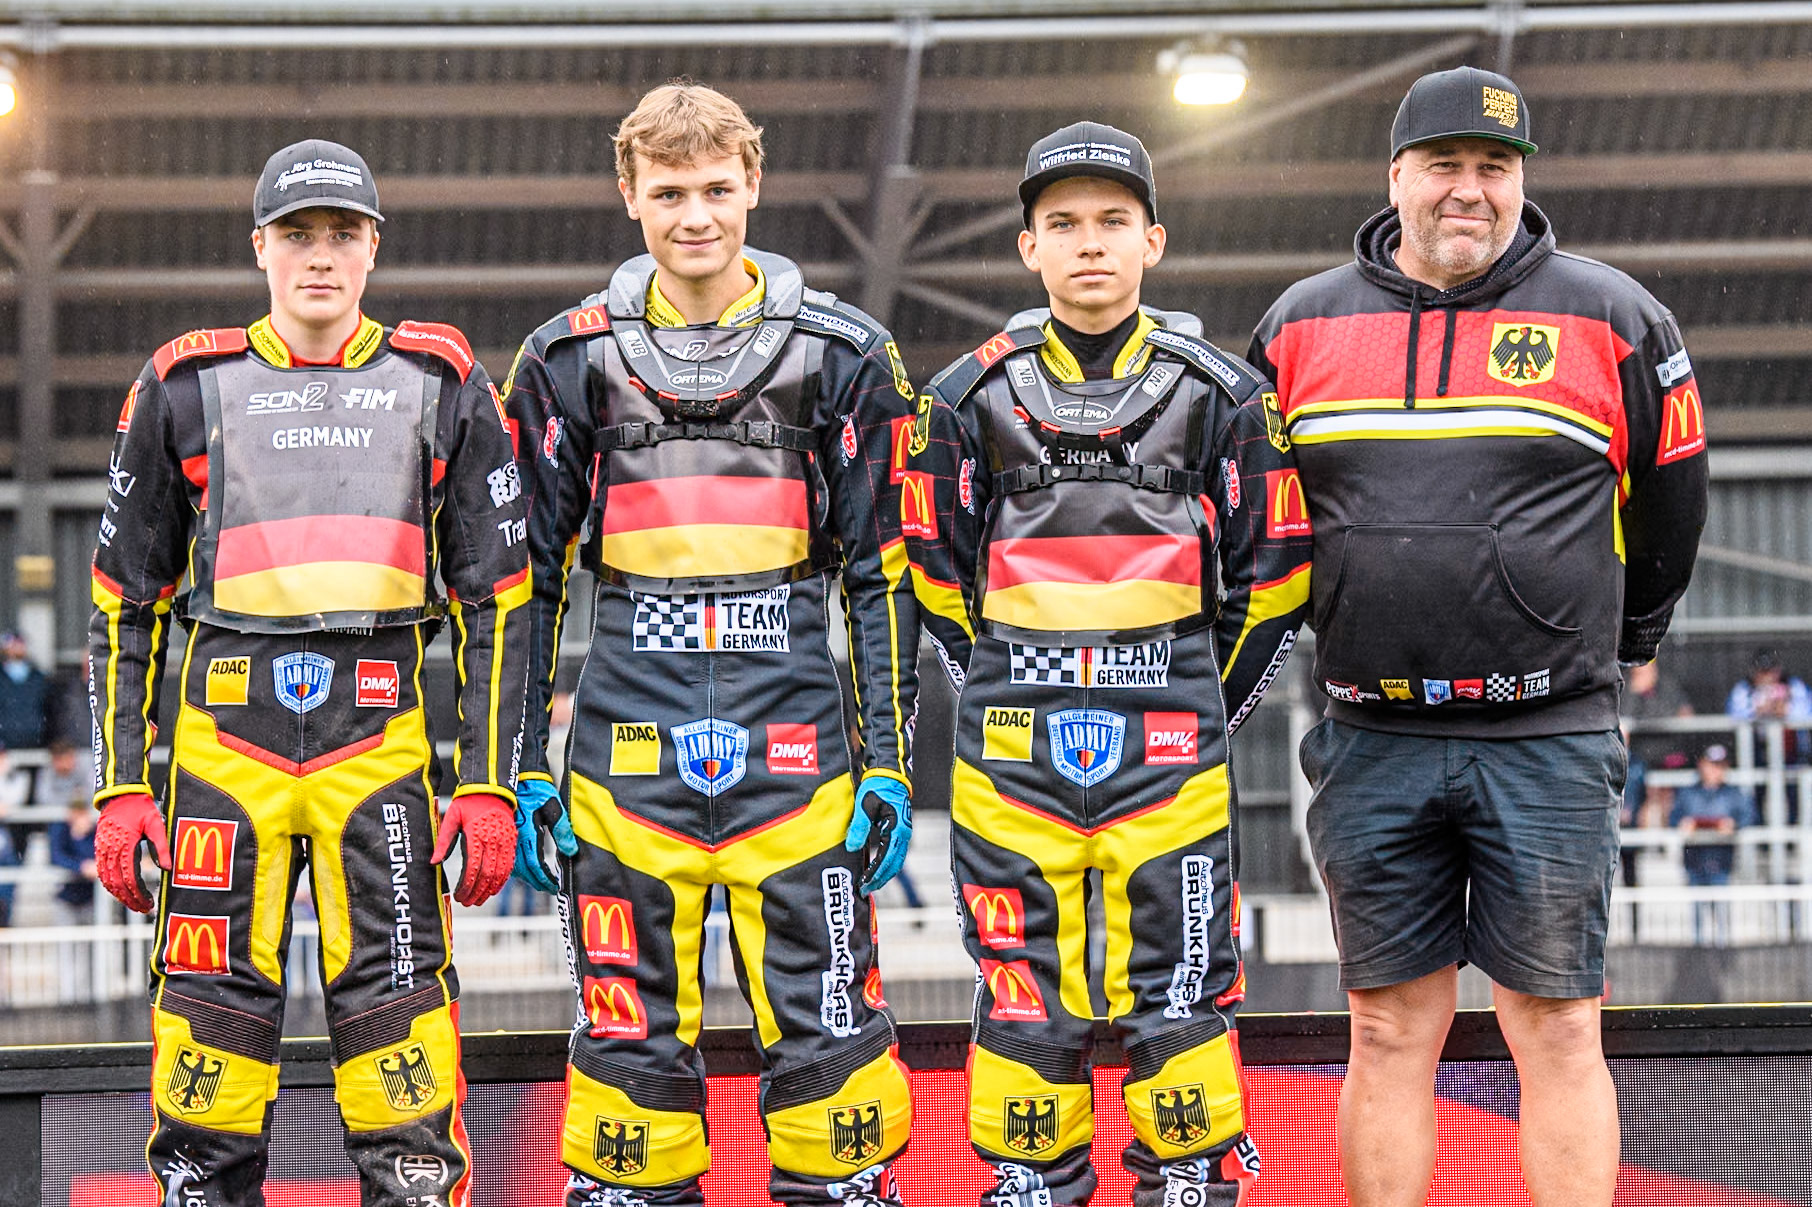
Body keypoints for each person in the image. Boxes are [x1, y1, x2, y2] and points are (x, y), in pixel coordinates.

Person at [1249, 67, 1709, 1207]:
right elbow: (1258, 520)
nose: (1469, 190)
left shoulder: (1616, 316)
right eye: (1443, 165)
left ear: (1521, 181)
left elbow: (1674, 503)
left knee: (1556, 1024)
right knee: (1384, 1026)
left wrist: (1620, 638)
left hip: (1548, 738)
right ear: (1395, 177)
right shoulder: (1298, 325)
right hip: (1370, 736)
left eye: (1494, 168)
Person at [88, 139, 529, 1207]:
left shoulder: (442, 377)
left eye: (341, 233)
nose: (319, 256)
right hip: (220, 758)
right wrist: (120, 785)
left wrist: (488, 782)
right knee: (207, 1029)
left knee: (400, 1026)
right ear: (261, 248)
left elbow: (498, 600)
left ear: (374, 246)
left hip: (379, 753)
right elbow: (122, 600)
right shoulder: (183, 381)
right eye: (297, 235)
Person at [503, 83, 920, 1206]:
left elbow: (882, 574)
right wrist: (519, 768)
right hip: (621, 758)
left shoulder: (847, 353)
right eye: (670, 192)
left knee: (833, 1046)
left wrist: (889, 760)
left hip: (802, 754)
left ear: (755, 185)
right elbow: (527, 581)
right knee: (626, 1054)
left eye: (718, 189)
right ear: (628, 193)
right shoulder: (562, 359)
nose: (696, 215)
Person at [907, 120, 1310, 1207]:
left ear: (1153, 241)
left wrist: (1197, 706)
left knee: (1181, 1000)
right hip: (1010, 766)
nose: (1091, 243)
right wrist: (1005, 690)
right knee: (1021, 1000)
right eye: (1065, 224)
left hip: (1173, 767)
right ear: (1029, 247)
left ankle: (1189, 1184)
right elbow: (935, 579)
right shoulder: (961, 398)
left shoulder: (1226, 396)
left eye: (1114, 222)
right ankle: (1029, 1187)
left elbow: (1275, 579)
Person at [1669, 744, 1756, 944]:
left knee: (1722, 916)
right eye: (1712, 765)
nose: (1716, 770)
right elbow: (1674, 818)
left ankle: (1723, 952)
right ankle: (1699, 952)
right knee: (1698, 916)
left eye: (1720, 766)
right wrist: (1684, 824)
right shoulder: (1688, 793)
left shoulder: (1733, 794)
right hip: (1695, 861)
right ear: (1702, 765)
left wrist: (1733, 825)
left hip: (1720, 861)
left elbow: (1749, 816)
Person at [0, 631, 50, 752]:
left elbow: (48, 709)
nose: (17, 648)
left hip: (35, 742)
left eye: (20, 644)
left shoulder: (38, 678)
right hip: (5, 745)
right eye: (13, 645)